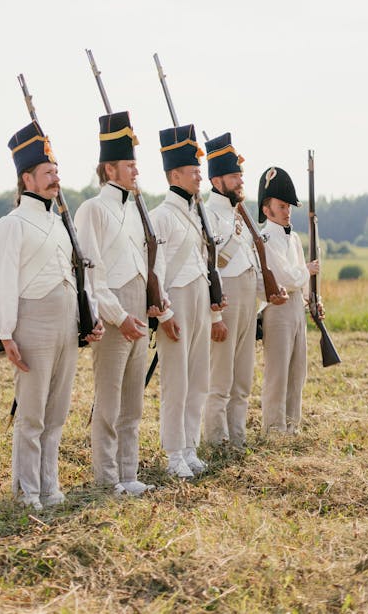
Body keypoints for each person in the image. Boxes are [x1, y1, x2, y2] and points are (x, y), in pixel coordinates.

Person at [0, 122, 102, 511]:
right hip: (32, 323)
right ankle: (27, 492)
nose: (56, 179)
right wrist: (5, 333)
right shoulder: (11, 224)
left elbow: (75, 275)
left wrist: (91, 318)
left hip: (66, 322)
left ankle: (50, 486)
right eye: (48, 173)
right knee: (32, 415)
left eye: (56, 172)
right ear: (27, 178)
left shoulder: (59, 222)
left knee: (56, 413)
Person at [74, 111, 169, 496]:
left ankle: (128, 474)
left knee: (133, 403)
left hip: (138, 309)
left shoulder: (136, 209)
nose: (136, 171)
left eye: (135, 164)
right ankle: (107, 477)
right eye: (129, 165)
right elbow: (92, 277)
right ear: (109, 168)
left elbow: (149, 261)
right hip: (114, 314)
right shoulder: (92, 210)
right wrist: (119, 316)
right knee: (109, 404)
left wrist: (153, 299)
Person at [150, 124, 226, 478]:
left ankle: (191, 447)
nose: (200, 175)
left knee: (198, 378)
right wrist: (164, 311)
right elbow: (157, 268)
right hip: (176, 300)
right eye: (194, 170)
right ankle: (173, 453)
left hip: (198, 296)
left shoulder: (199, 212)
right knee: (176, 382)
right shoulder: (161, 216)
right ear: (174, 174)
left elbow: (207, 261)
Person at [203, 133, 286, 448]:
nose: (240, 181)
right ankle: (215, 441)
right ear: (217, 179)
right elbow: (210, 266)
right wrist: (216, 315)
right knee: (220, 379)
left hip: (248, 299)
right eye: (234, 175)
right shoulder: (209, 215)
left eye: (240, 175)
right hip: (227, 299)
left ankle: (236, 439)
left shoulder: (242, 214)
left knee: (242, 380)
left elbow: (253, 260)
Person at [257, 166, 321, 436]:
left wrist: (313, 299)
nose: (287, 211)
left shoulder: (292, 237)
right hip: (278, 308)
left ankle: (292, 425)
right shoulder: (265, 238)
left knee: (297, 370)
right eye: (281, 206)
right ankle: (274, 428)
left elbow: (300, 279)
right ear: (266, 209)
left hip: (296, 307)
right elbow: (285, 275)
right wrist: (307, 270)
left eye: (288, 206)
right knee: (278, 372)